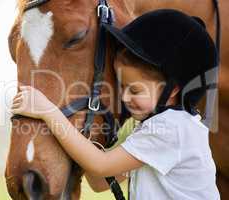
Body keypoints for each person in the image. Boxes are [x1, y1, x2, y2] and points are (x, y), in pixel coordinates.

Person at [11, 9, 220, 200]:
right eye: (123, 87)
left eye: (135, 90)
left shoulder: (170, 129)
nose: (125, 97)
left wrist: (49, 112)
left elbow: (100, 166)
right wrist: (87, 140)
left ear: (172, 89)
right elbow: (100, 182)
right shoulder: (160, 127)